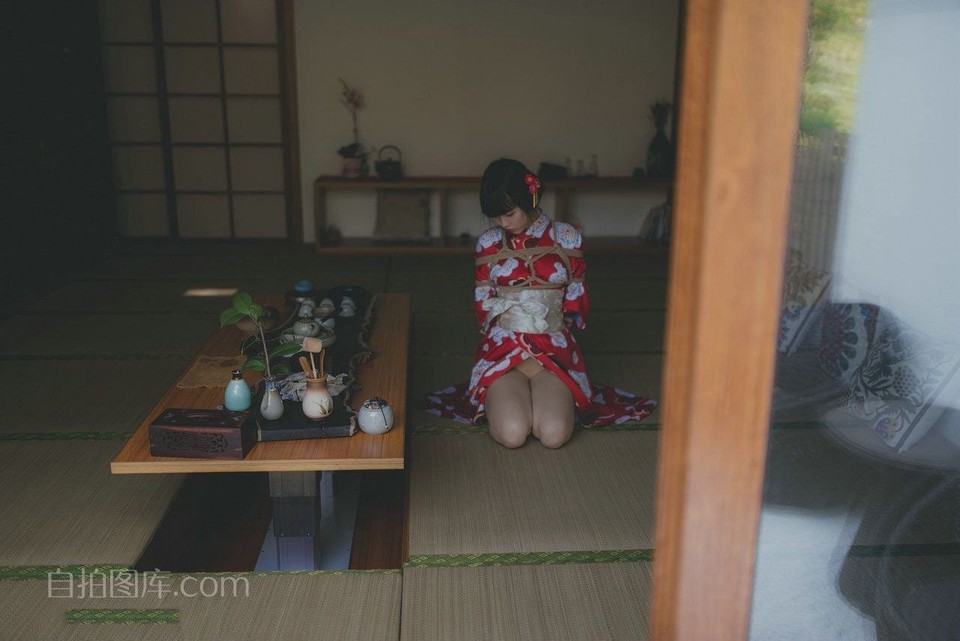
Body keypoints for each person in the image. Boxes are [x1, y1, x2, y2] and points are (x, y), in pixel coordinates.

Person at [425, 158, 655, 448]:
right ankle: (513, 403)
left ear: (530, 198)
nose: (502, 223)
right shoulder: (488, 242)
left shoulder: (567, 237)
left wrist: (557, 319)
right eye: (495, 217)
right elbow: (483, 301)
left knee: (554, 435)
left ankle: (542, 403)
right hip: (504, 355)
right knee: (513, 434)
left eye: (509, 213)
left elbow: (577, 296)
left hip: (553, 354)